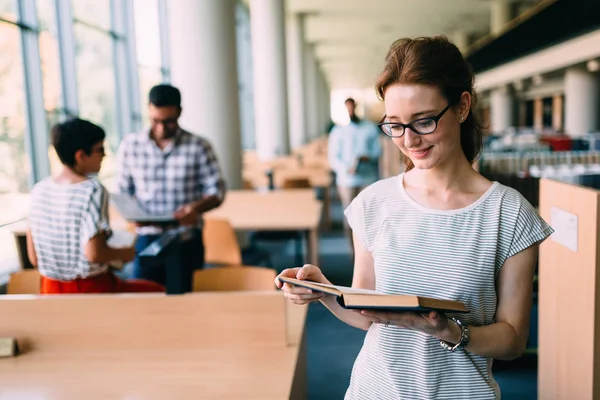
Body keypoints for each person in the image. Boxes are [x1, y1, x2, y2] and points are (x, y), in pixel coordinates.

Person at [276, 36, 553, 399]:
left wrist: (451, 333)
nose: (409, 141)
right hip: (375, 390)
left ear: (463, 106)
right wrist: (324, 291)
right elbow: (366, 314)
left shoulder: (509, 212)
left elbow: (513, 339)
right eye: (395, 125)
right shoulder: (374, 202)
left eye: (424, 122)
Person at [26, 118, 165, 294]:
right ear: (80, 156)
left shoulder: (39, 190)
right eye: (99, 150)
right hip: (90, 289)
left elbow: (34, 258)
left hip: (50, 289)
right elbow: (94, 254)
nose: (104, 155)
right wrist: (125, 254)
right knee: (158, 292)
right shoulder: (91, 191)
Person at [116, 84, 226, 290]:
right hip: (146, 238)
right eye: (155, 121)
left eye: (168, 122)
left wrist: (196, 208)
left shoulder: (199, 145)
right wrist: (131, 214)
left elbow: (217, 192)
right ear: (148, 110)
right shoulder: (130, 145)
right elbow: (123, 192)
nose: (161, 128)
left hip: (185, 239)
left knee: (187, 303)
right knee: (144, 303)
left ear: (179, 113)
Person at [328, 97, 382, 243]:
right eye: (348, 108)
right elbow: (333, 158)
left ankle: (370, 250)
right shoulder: (338, 131)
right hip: (347, 180)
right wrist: (347, 168)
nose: (350, 110)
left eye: (352, 107)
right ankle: (353, 253)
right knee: (351, 218)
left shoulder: (369, 128)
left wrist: (367, 157)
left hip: (367, 178)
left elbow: (377, 152)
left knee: (369, 216)